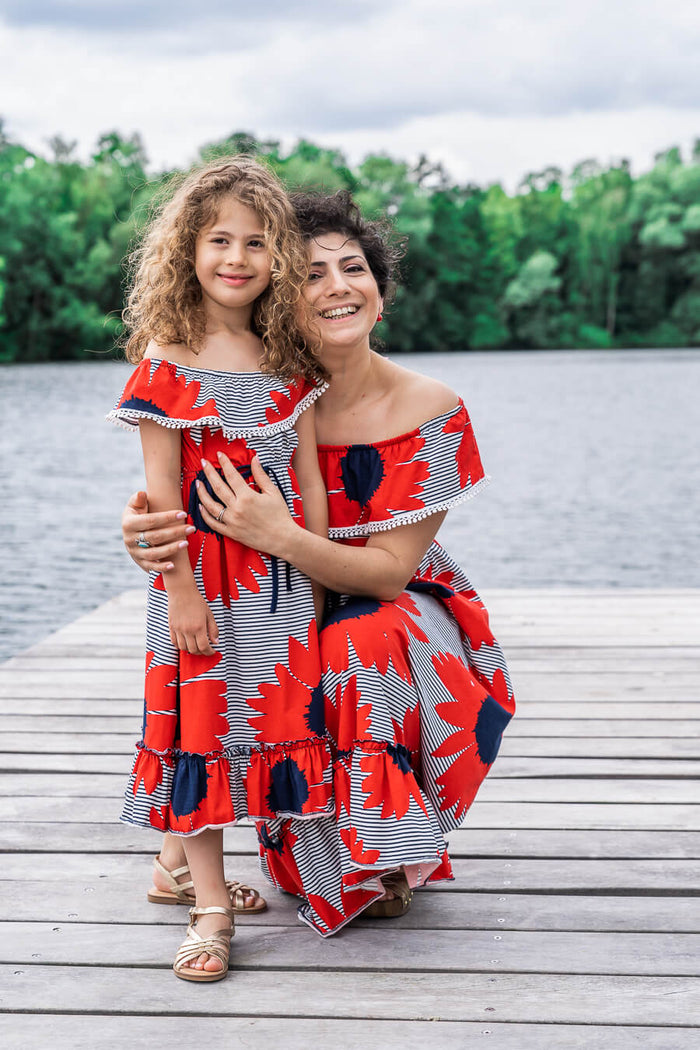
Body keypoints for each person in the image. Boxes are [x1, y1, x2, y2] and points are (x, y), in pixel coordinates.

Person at [123, 190, 515, 938]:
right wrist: (141, 535)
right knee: (222, 672)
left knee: (354, 639)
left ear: (380, 289)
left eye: (354, 268)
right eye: (310, 274)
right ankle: (191, 851)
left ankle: (379, 853)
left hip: (394, 608)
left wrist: (282, 537)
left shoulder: (431, 407)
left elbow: (389, 573)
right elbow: (173, 487)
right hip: (271, 593)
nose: (338, 285)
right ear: (275, 292)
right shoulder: (259, 392)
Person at [107, 158, 329, 981]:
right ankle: (205, 905)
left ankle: (172, 870)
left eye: (257, 242)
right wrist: (182, 594)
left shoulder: (286, 358)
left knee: (263, 727)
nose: (236, 257)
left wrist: (317, 575)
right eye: (219, 240)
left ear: (278, 258)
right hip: (198, 585)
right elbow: (161, 503)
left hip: (279, 586)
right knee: (199, 734)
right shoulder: (169, 356)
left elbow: (305, 483)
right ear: (188, 249)